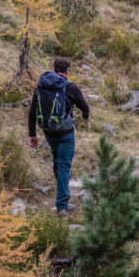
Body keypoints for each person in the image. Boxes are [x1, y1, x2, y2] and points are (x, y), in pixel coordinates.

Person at [27, 57, 91, 215]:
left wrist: (32, 135)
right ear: (67, 70)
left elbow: (32, 111)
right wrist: (85, 116)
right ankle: (62, 205)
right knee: (63, 166)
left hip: (47, 131)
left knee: (57, 162)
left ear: (55, 68)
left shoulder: (42, 85)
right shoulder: (70, 87)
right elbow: (85, 107)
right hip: (65, 133)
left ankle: (61, 189)